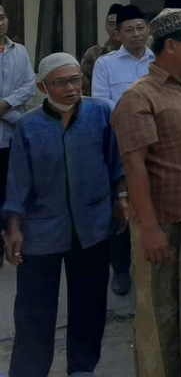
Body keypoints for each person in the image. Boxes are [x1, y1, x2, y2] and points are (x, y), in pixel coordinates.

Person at [111, 8, 181, 377]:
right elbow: (134, 166)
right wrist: (151, 228)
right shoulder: (138, 98)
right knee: (162, 319)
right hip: (162, 224)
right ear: (170, 46)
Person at [2, 53, 126, 377]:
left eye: (75, 80)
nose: (71, 88)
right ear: (43, 87)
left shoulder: (100, 113)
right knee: (34, 311)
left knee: (90, 305)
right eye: (61, 82)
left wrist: (122, 199)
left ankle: (82, 369)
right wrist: (12, 228)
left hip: (93, 226)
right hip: (41, 231)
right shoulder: (29, 126)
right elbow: (17, 182)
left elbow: (116, 164)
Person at [91, 3, 155, 296]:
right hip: (120, 145)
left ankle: (152, 263)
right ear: (118, 34)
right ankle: (120, 270)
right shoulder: (105, 64)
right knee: (122, 206)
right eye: (129, 30)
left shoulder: (158, 61)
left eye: (140, 28)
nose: (136, 34)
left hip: (156, 144)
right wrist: (135, 117)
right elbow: (101, 102)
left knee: (154, 202)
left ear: (148, 30)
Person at [0, 3, 38, 240]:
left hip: (14, 134)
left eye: (2, 17)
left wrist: (5, 104)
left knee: (12, 187)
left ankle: (11, 232)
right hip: (10, 122)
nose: (0, 22)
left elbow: (29, 85)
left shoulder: (20, 51)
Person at [80, 3, 122, 96]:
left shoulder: (137, 53)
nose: (115, 28)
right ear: (106, 27)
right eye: (111, 24)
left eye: (119, 24)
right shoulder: (93, 54)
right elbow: (85, 90)